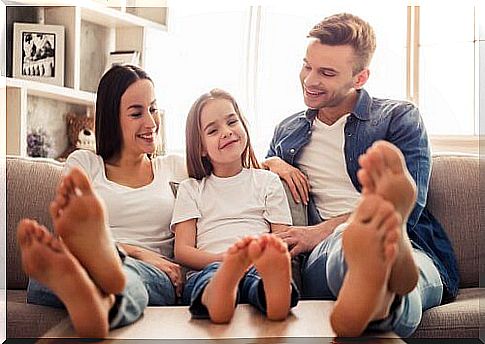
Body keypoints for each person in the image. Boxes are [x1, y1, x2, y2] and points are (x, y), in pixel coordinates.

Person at [263, 13, 459, 337]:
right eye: (307, 65)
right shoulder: (287, 131)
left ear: (360, 77)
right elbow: (254, 189)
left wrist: (319, 231)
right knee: (349, 244)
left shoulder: (397, 117)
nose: (310, 80)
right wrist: (272, 162)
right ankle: (376, 283)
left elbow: (413, 208)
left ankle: (377, 283)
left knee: (397, 262)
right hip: (326, 257)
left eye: (326, 73)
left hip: (410, 244)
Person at [17, 64, 187, 337]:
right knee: (47, 273)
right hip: (111, 258)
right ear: (111, 118)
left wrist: (277, 164)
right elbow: (68, 237)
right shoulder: (85, 164)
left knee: (132, 278)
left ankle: (90, 290)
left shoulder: (175, 167)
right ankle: (97, 293)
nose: (151, 122)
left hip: (149, 271)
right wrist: (134, 251)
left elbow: (233, 166)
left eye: (153, 109)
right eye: (136, 113)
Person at [171, 89, 299, 323]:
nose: (227, 132)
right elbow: (183, 250)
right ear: (200, 147)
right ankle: (220, 294)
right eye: (213, 130)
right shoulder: (191, 188)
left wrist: (260, 259)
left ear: (243, 125)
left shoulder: (267, 181)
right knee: (210, 278)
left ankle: (275, 296)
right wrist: (225, 261)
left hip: (256, 264)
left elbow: (281, 238)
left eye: (232, 121)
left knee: (263, 276)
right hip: (210, 267)